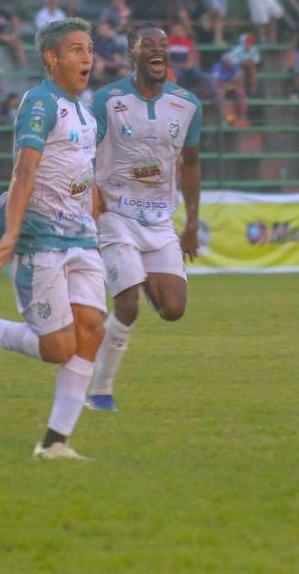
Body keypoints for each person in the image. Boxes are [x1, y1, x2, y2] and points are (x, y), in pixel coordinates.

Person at [0, 18, 105, 460]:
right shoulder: (40, 102)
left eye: (89, 48)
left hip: (80, 236)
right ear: (51, 58)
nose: (87, 57)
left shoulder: (86, 111)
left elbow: (86, 177)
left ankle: (55, 444)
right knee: (58, 348)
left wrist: (97, 229)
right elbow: (25, 171)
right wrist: (13, 231)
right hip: (40, 235)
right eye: (75, 49)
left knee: (92, 331)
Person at [86, 23, 203, 412]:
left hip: (159, 220)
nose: (158, 51)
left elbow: (191, 165)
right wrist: (92, 195)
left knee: (174, 309)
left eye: (163, 45)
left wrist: (190, 225)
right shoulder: (107, 100)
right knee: (128, 306)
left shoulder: (187, 104)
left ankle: (140, 281)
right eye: (147, 45)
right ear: (131, 55)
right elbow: (84, 153)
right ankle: (99, 390)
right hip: (115, 213)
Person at [210, 55, 248, 126]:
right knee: (220, 93)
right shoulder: (218, 67)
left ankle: (242, 117)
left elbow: (239, 81)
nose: (232, 66)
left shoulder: (235, 67)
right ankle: (222, 119)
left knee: (241, 92)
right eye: (230, 64)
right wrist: (226, 85)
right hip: (220, 88)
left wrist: (234, 82)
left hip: (232, 88)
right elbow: (214, 82)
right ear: (225, 63)